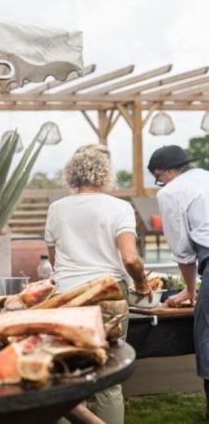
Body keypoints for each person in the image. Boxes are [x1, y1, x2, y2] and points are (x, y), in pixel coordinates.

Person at [45, 144, 151, 424]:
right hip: (108, 293)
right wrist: (141, 282)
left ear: (72, 175)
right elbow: (130, 257)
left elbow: (55, 259)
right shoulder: (119, 207)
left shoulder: (56, 208)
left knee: (66, 374)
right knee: (108, 376)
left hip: (67, 296)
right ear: (105, 175)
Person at [148, 145, 209, 417]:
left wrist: (190, 291)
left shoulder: (171, 192)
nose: (159, 183)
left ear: (170, 171)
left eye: (159, 177)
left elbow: (183, 251)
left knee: (207, 332)